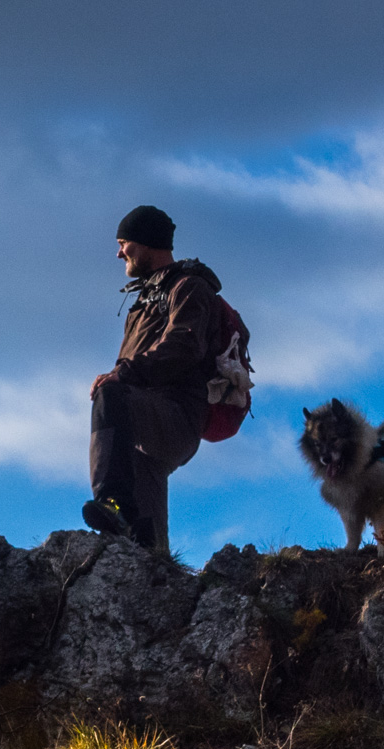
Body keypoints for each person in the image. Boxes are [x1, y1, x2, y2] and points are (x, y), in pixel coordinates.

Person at [83, 205, 222, 550]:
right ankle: (154, 566)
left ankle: (112, 501)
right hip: (149, 421)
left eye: (123, 243)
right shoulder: (144, 301)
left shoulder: (188, 287)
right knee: (145, 545)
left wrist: (121, 374)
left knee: (110, 396)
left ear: (145, 243)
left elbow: (184, 344)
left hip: (176, 415)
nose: (119, 253)